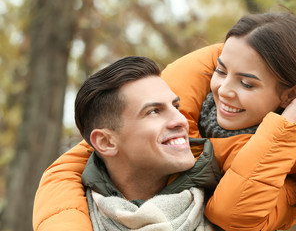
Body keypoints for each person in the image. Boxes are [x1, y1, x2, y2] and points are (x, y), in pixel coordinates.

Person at [32, 11, 296, 231]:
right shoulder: (183, 99)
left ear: (288, 95)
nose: (225, 91)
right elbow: (77, 160)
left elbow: (232, 213)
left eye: (247, 84)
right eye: (221, 70)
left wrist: (291, 118)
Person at [69, 55, 222, 230]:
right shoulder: (71, 219)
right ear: (106, 142)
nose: (181, 120)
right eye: (154, 111)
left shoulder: (229, 209)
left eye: (176, 106)